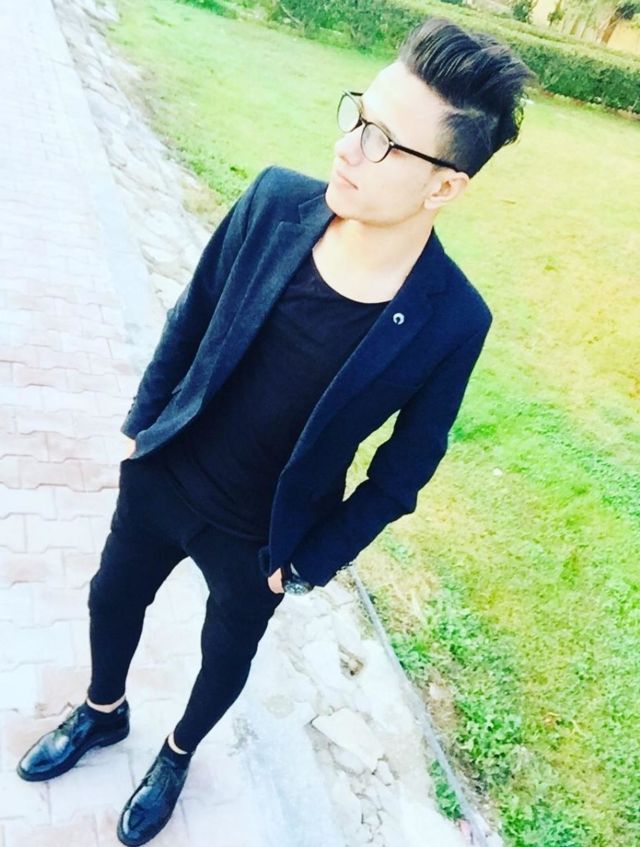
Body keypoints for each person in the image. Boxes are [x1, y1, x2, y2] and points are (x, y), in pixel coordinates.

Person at [16, 15, 535, 846]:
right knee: (110, 596)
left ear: (443, 187)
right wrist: (141, 430)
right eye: (357, 116)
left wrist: (307, 562)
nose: (347, 148)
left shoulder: (452, 319)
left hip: (261, 538)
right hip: (167, 471)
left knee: (224, 658)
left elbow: (402, 474)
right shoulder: (273, 203)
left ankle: (177, 754)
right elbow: (192, 317)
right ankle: (102, 710)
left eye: (381, 142)